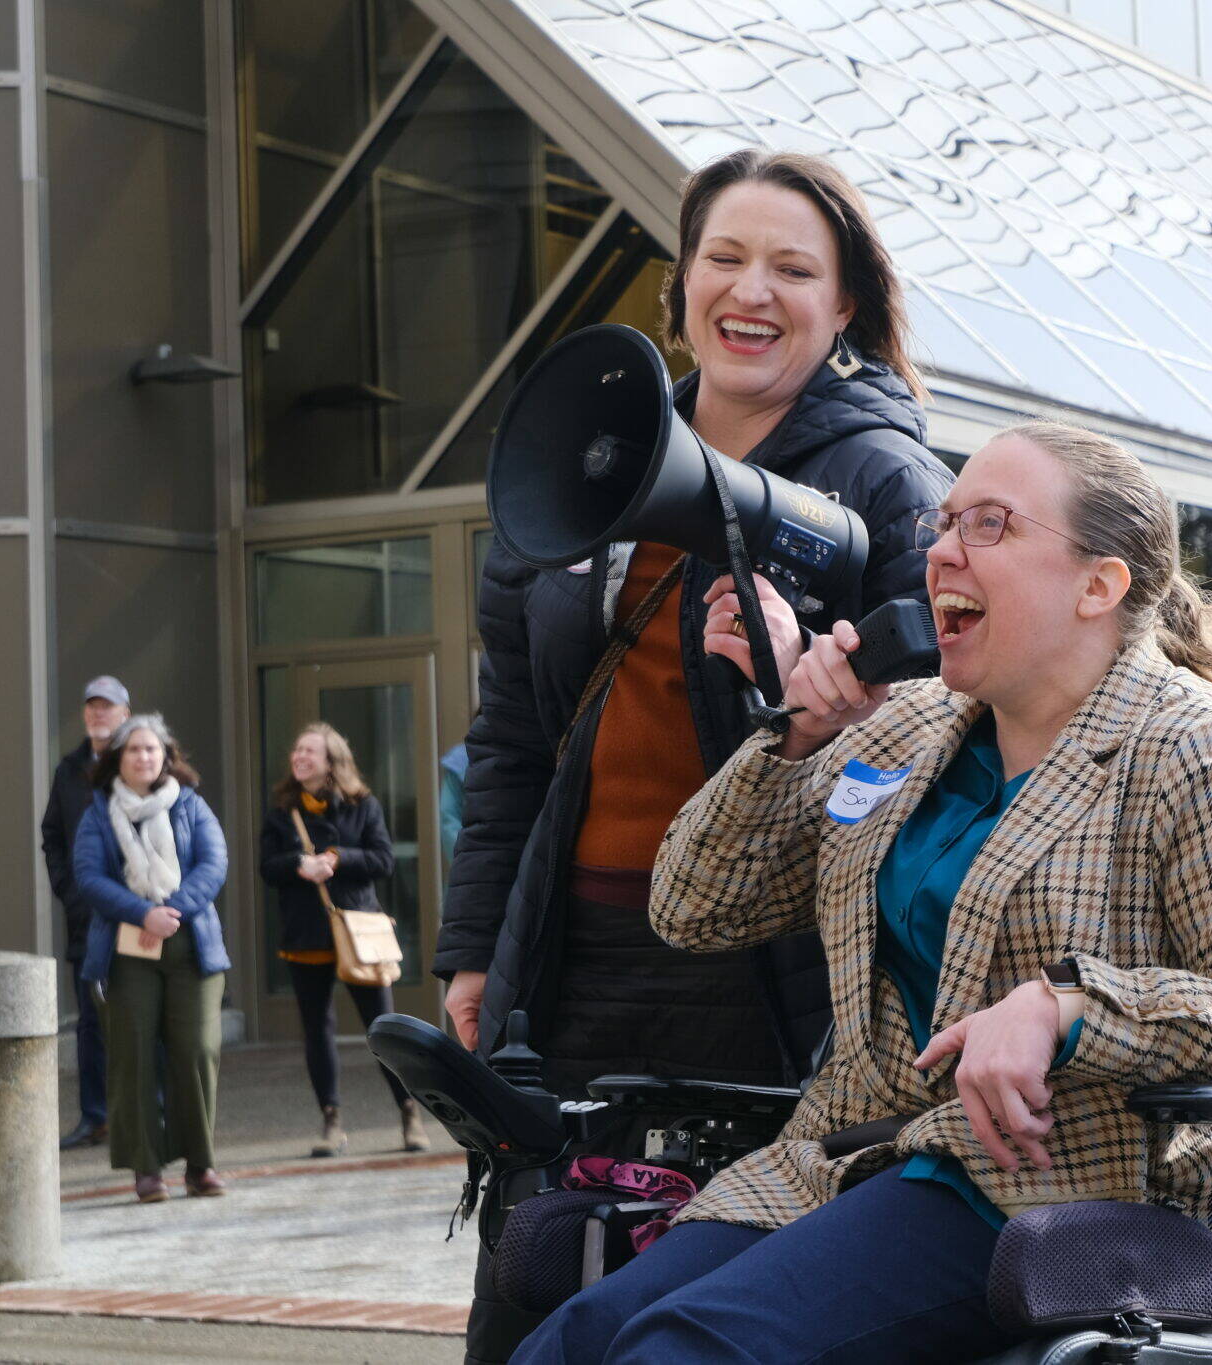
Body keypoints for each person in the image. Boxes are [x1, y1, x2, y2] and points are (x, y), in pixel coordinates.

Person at [511, 421, 1212, 1363]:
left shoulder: (1191, 747)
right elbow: (694, 905)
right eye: (944, 522)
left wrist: (1070, 1007)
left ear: (1099, 585)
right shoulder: (909, 724)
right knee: (572, 1340)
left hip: (1046, 1194)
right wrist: (796, 733)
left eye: (989, 524)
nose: (943, 550)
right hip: (838, 1163)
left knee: (682, 1350)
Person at [438, 148, 952, 1365]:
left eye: (791, 269)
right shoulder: (586, 456)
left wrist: (814, 697)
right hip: (574, 959)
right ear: (678, 287)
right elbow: (511, 742)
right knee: (538, 1279)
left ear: (844, 305)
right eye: (723, 258)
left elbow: (954, 739)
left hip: (775, 970)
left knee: (725, 1308)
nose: (750, 291)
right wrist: (474, 949)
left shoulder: (891, 484)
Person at [73, 714, 231, 1205]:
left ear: (166, 756)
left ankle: (200, 1165)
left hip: (191, 945)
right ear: (118, 759)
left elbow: (214, 864)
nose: (144, 756)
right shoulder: (98, 813)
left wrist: (171, 911)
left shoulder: (190, 804)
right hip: (126, 951)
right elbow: (89, 877)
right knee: (133, 1055)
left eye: (151, 748)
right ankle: (146, 1167)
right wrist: (143, 913)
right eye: (134, 749)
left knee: (196, 1050)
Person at [259, 722, 426, 1157]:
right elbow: (267, 867)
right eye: (297, 750)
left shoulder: (362, 805)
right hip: (306, 933)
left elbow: (383, 860)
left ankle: (410, 1111)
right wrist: (298, 865)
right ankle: (331, 1120)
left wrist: (337, 858)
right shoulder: (282, 810)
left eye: (309, 751)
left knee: (383, 1028)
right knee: (317, 1029)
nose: (299, 757)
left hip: (358, 932)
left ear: (332, 761)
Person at [40, 674, 130, 1150]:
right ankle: (95, 1116)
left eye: (107, 706)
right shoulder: (68, 771)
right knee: (91, 1023)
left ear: (125, 715)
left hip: (136, 915)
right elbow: (52, 836)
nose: (98, 713)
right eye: (92, 706)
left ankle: (148, 1111)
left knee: (139, 1015)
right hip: (86, 918)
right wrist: (69, 891)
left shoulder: (138, 762)